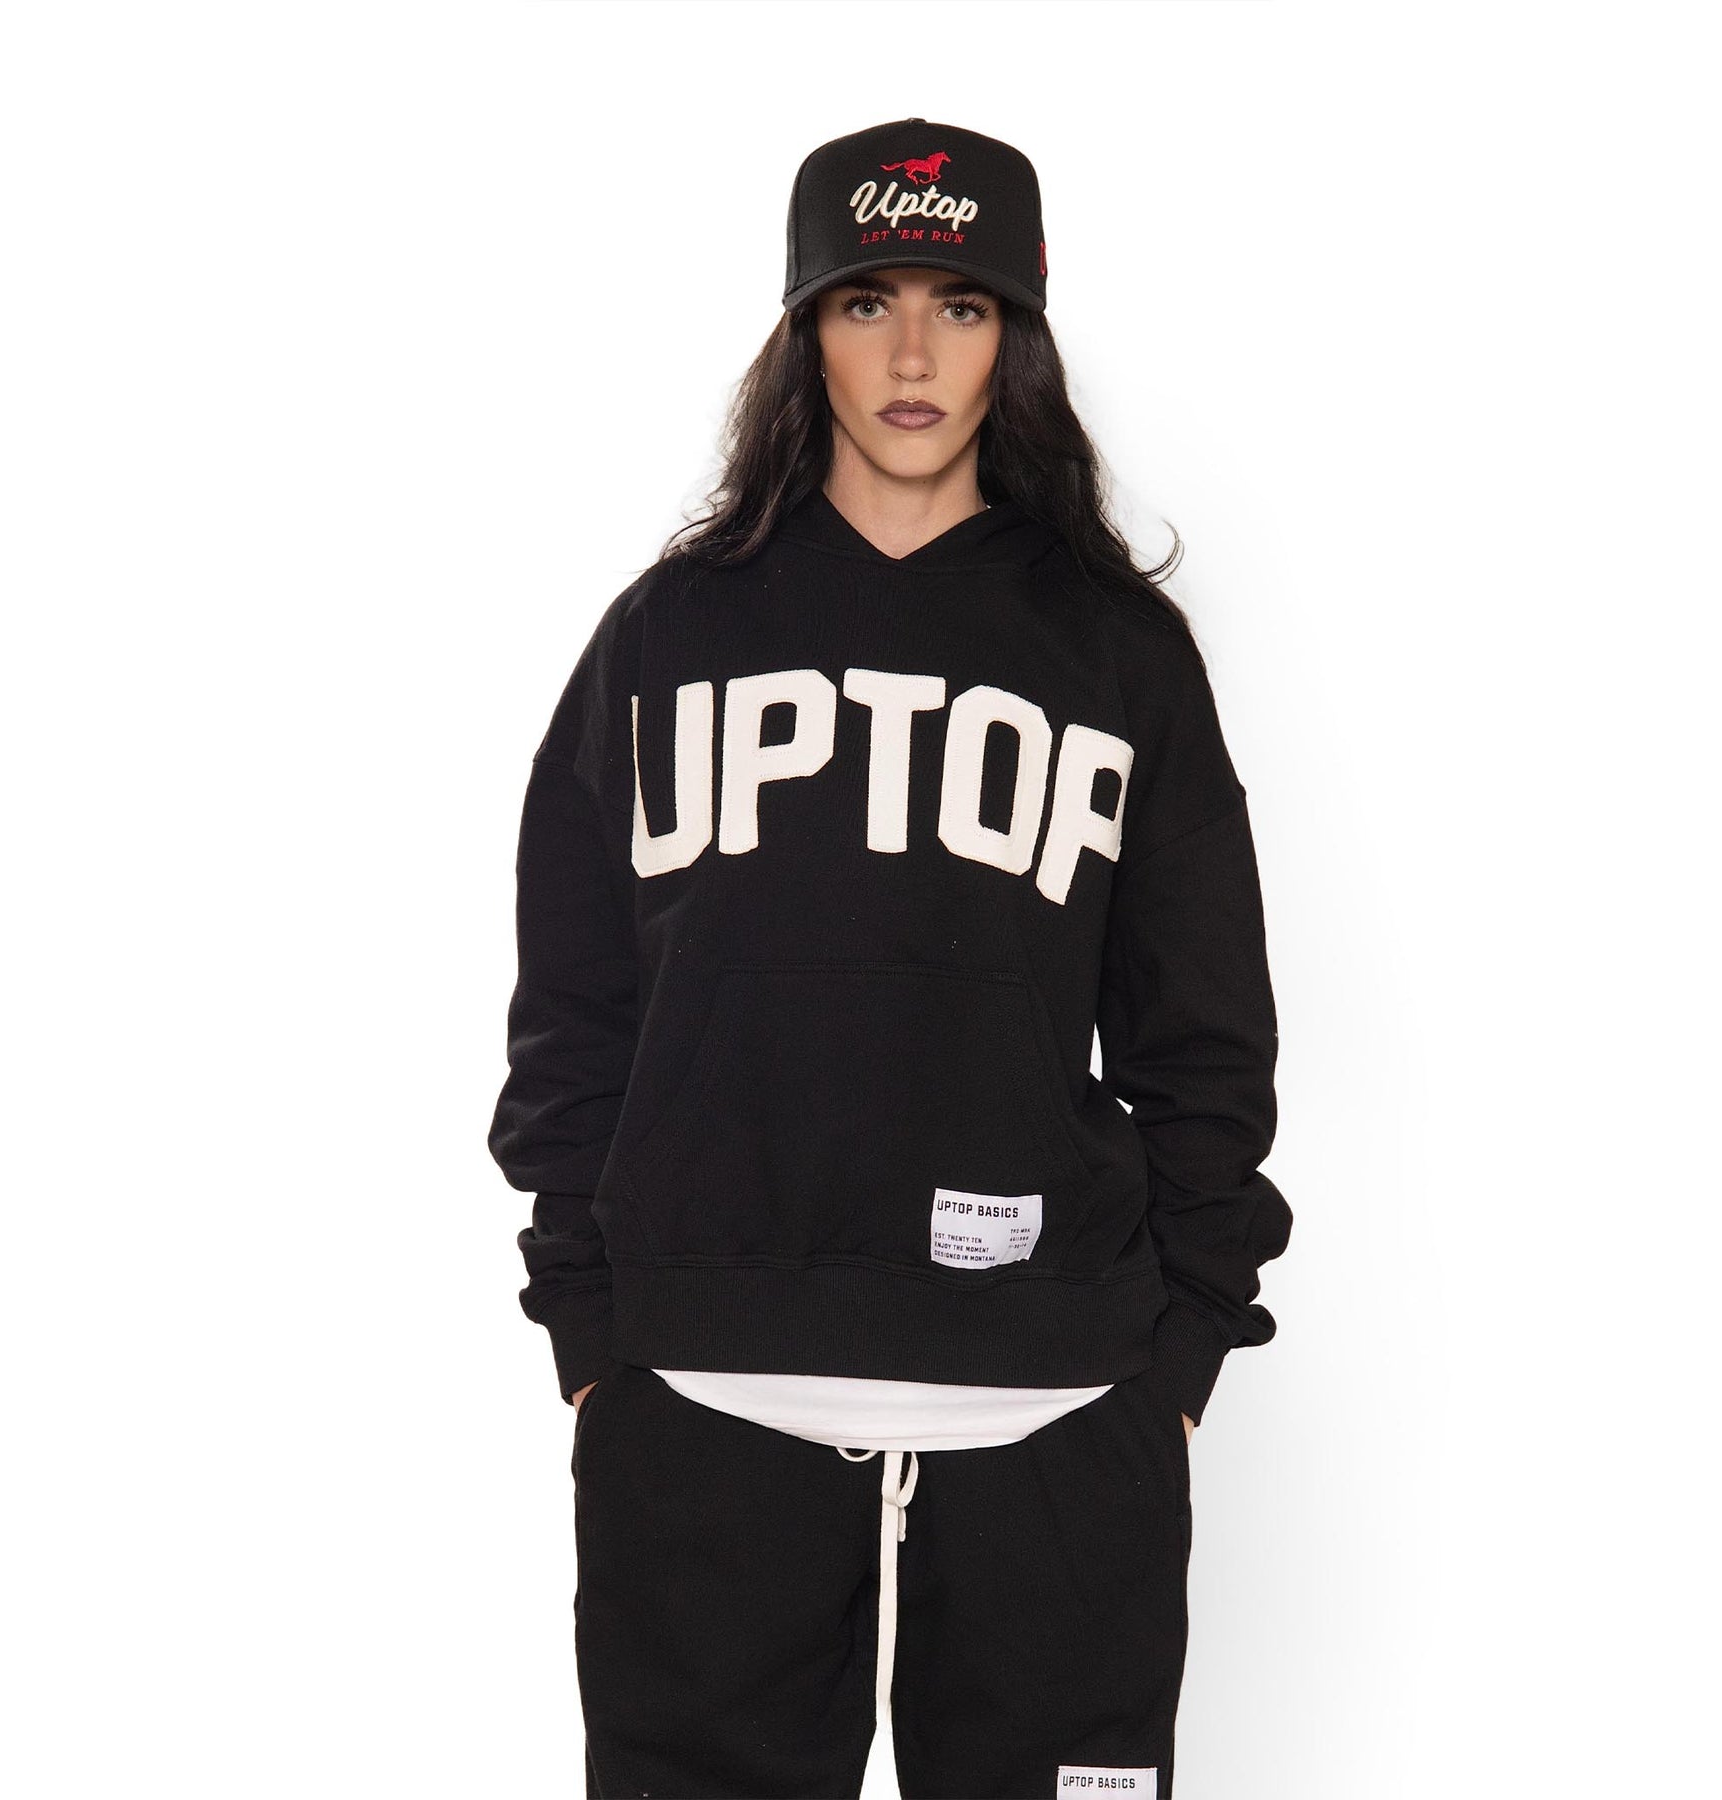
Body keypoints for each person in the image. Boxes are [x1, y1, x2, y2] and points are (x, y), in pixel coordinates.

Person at [488, 117, 1293, 1800]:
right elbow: (572, 1012)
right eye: (868, 303)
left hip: (1055, 1408)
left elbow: (1204, 1034)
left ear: (1019, 337)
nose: (914, 355)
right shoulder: (669, 635)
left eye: (961, 304)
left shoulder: (1118, 653)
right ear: (806, 335)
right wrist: (593, 1336)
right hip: (704, 1399)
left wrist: (1179, 1364)